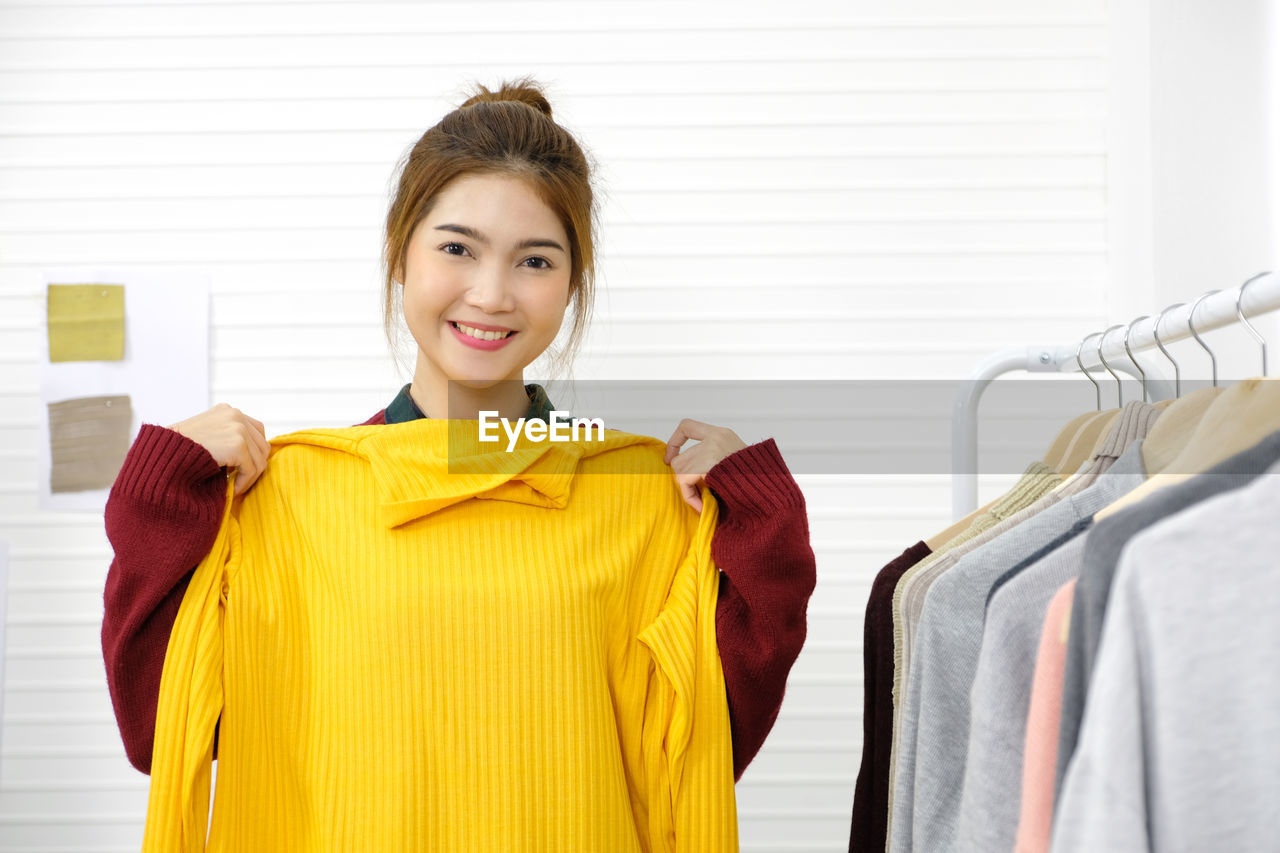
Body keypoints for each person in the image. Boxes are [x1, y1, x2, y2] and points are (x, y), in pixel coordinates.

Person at [101, 78, 815, 849]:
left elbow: (706, 746)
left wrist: (759, 517)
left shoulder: (640, 503)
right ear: (398, 254)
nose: (491, 293)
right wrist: (162, 497)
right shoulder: (286, 500)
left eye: (534, 261)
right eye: (456, 248)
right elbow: (162, 733)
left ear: (571, 285)